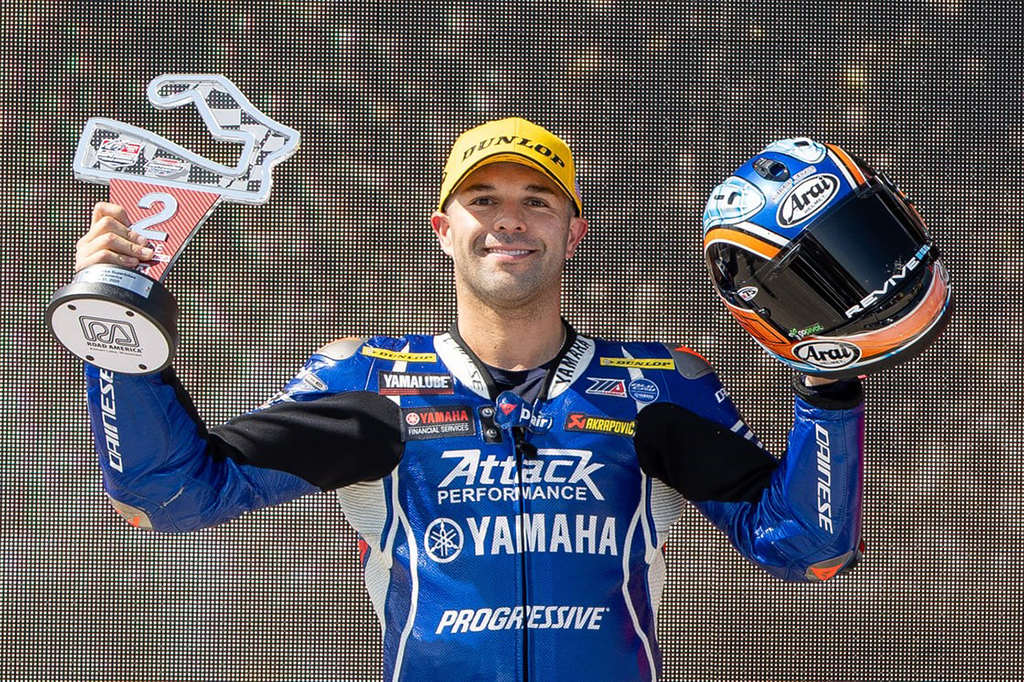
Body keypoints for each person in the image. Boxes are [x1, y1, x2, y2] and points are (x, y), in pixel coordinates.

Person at [77, 118, 864, 682]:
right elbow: (166, 495)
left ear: (574, 232)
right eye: (482, 199)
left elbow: (807, 547)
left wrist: (827, 380)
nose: (509, 220)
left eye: (538, 200)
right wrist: (116, 327)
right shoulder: (366, 381)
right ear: (442, 229)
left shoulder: (661, 386)